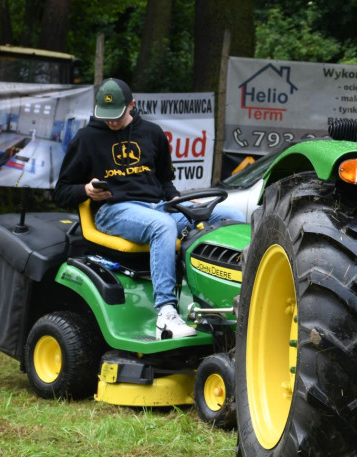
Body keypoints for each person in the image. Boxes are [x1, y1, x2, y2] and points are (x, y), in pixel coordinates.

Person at [54, 78, 243, 339]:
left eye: (117, 116)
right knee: (162, 225)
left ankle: (240, 296)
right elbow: (61, 191)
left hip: (159, 206)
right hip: (115, 210)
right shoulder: (87, 138)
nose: (111, 122)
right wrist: (86, 190)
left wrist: (180, 201)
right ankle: (166, 314)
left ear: (132, 105)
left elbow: (165, 181)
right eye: (106, 116)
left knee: (233, 216)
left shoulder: (153, 133)